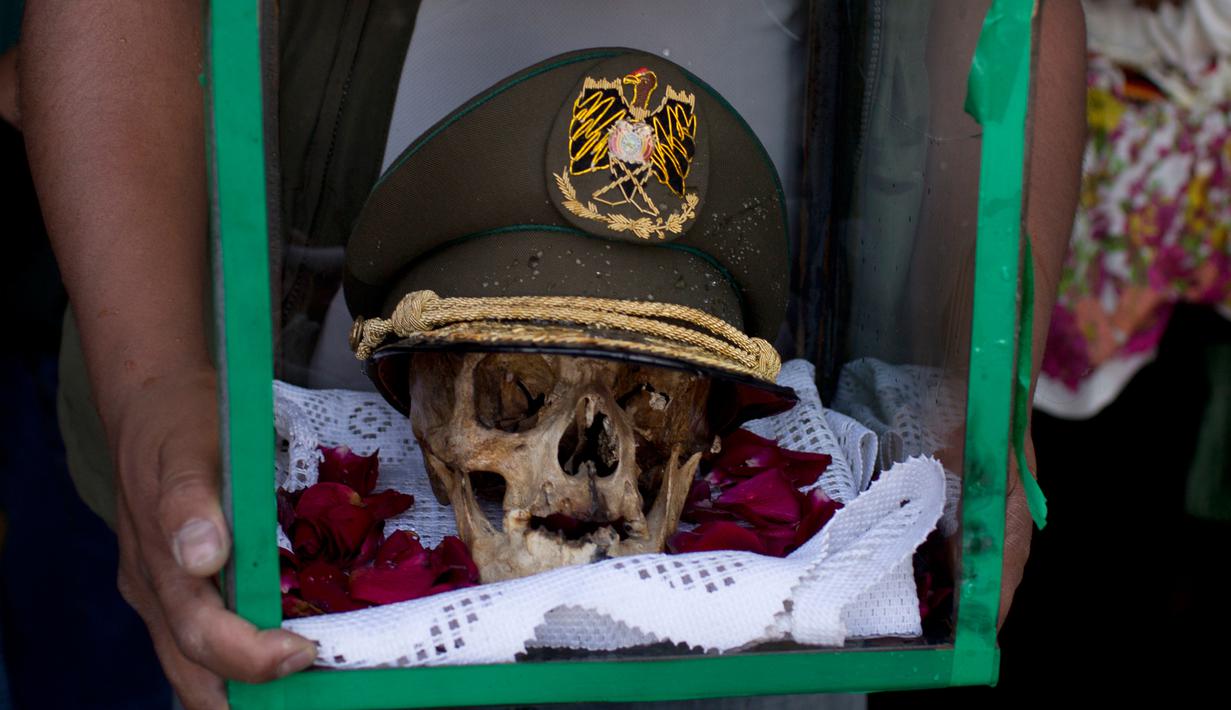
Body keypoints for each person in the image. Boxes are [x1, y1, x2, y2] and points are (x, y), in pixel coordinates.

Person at [19, 1, 1085, 707]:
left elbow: (1001, 18)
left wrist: (977, 381)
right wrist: (155, 379)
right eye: (517, 397)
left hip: (771, 287)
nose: (588, 457)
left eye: (643, 407)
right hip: (264, 339)